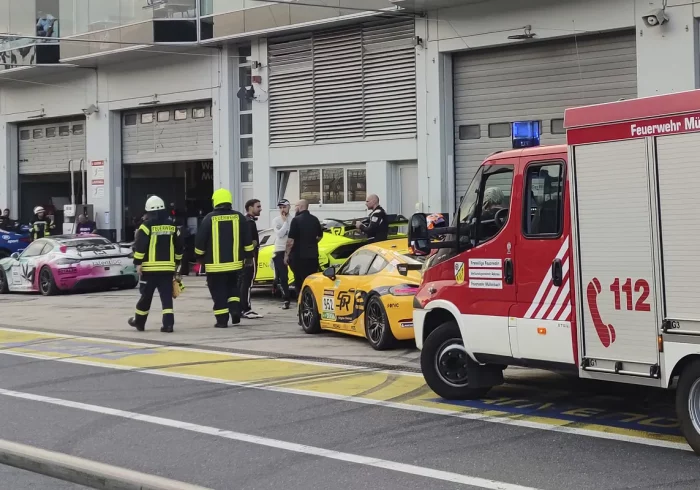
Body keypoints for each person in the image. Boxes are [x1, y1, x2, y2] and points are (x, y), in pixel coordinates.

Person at [195, 189, 254, 328]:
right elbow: (248, 241)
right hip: (235, 265)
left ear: (215, 201)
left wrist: (199, 256)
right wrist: (249, 258)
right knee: (233, 289)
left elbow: (200, 242)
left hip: (214, 267)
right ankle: (235, 312)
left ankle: (222, 320)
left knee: (218, 292)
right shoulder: (239, 217)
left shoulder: (209, 218)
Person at [128, 195, 184, 333]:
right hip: (167, 269)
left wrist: (138, 263)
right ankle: (168, 325)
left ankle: (139, 323)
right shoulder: (172, 226)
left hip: (149, 270)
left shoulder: (145, 227)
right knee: (166, 298)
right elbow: (179, 247)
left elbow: (140, 246)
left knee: (145, 297)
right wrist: (177, 263)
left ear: (148, 211)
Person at [285, 199, 323, 295]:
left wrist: (286, 255)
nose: (295, 208)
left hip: (299, 256)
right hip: (312, 256)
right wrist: (313, 242)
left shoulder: (296, 220)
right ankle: (310, 299)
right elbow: (320, 236)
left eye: (296, 206)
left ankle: (301, 301)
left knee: (299, 280)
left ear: (300, 206)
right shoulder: (315, 219)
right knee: (311, 280)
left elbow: (290, 241)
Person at [240, 198, 263, 319]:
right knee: (247, 283)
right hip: (250, 256)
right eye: (258, 206)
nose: (260, 209)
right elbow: (250, 242)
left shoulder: (244, 220)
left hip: (245, 257)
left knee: (243, 283)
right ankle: (246, 308)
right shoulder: (249, 222)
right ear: (250, 208)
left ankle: (241, 308)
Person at [271, 199, 292, 309]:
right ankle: (286, 299)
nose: (282, 210)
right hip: (280, 250)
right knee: (283, 277)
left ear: (289, 207)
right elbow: (279, 234)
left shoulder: (293, 220)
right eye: (280, 207)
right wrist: (284, 223)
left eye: (284, 207)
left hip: (292, 249)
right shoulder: (276, 220)